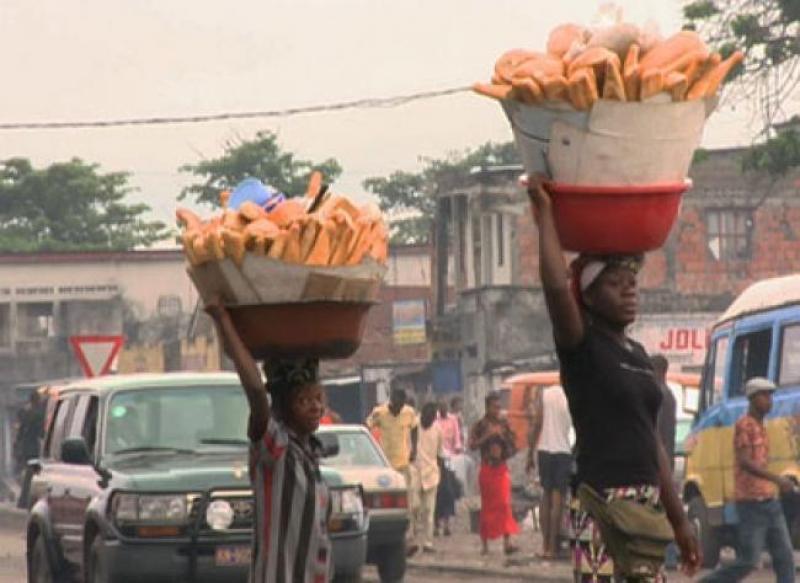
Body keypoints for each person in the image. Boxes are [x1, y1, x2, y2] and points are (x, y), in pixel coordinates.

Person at [527, 175, 701, 582]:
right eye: (614, 283)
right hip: (601, 503)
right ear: (587, 295)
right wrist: (545, 217)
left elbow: (653, 444)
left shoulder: (639, 357)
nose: (629, 292)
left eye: (632, 283)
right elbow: (554, 288)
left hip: (646, 506)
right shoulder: (582, 345)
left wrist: (679, 522)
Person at [207, 300, 331, 583]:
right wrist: (223, 319)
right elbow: (256, 393)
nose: (315, 407)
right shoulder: (275, 448)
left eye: (318, 399)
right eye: (303, 400)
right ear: (283, 408)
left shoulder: (312, 455)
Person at [700, 377, 796, 583]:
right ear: (752, 399)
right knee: (748, 561)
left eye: (771, 396)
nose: (769, 401)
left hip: (769, 500)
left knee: (785, 557)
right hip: (751, 504)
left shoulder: (762, 426)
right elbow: (744, 462)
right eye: (765, 396)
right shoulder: (745, 425)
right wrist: (777, 480)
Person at [366, 389, 419, 551]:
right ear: (391, 400)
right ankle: (390, 538)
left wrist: (414, 449)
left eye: (401, 405)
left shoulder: (408, 412)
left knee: (410, 503)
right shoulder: (379, 412)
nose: (399, 408)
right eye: (397, 405)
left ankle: (408, 539)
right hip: (386, 466)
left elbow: (415, 428)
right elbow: (367, 426)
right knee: (389, 504)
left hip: (403, 464)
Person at [468, 392, 519, 556]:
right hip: (487, 469)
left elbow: (514, 445)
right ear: (487, 407)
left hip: (501, 469)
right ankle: (485, 544)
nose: (497, 410)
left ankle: (507, 542)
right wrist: (487, 436)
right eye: (494, 407)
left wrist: (502, 438)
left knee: (504, 505)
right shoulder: (480, 425)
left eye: (499, 407)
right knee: (487, 507)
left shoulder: (504, 424)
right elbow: (472, 445)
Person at [527, 384, 573, 560]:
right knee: (558, 501)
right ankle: (553, 548)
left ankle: (545, 545)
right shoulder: (573, 394)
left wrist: (530, 453)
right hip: (563, 451)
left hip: (544, 450)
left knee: (545, 497)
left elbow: (537, 423)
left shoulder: (546, 393)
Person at [410, 402, 444, 553]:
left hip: (431, 473)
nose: (429, 420)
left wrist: (441, 473)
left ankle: (428, 543)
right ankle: (413, 539)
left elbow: (440, 454)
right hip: (414, 471)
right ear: (422, 414)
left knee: (429, 510)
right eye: (427, 416)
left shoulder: (437, 430)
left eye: (432, 417)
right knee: (414, 507)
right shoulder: (413, 425)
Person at [435, 399, 463, 536]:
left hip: (450, 460)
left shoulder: (453, 420)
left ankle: (446, 524)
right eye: (441, 408)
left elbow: (457, 439)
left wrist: (457, 450)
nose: (443, 410)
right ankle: (436, 525)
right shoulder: (434, 420)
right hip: (435, 462)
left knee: (449, 492)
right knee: (435, 493)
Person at [651, 355, 677, 470]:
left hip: (659, 460)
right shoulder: (668, 394)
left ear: (659, 371)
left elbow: (657, 428)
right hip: (665, 457)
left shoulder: (660, 395)